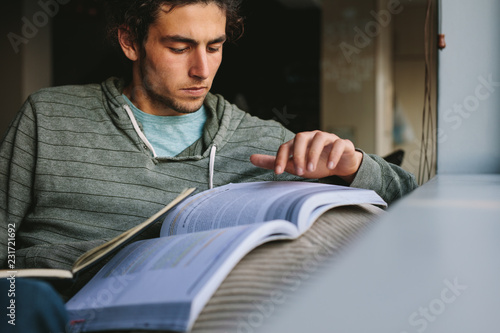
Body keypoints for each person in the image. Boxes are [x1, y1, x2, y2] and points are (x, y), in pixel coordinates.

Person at [0, 0, 417, 301]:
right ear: (130, 42)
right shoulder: (50, 115)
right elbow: (6, 236)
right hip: (40, 308)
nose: (202, 70)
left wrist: (354, 166)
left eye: (214, 47)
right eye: (179, 48)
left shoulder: (263, 143)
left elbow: (410, 198)